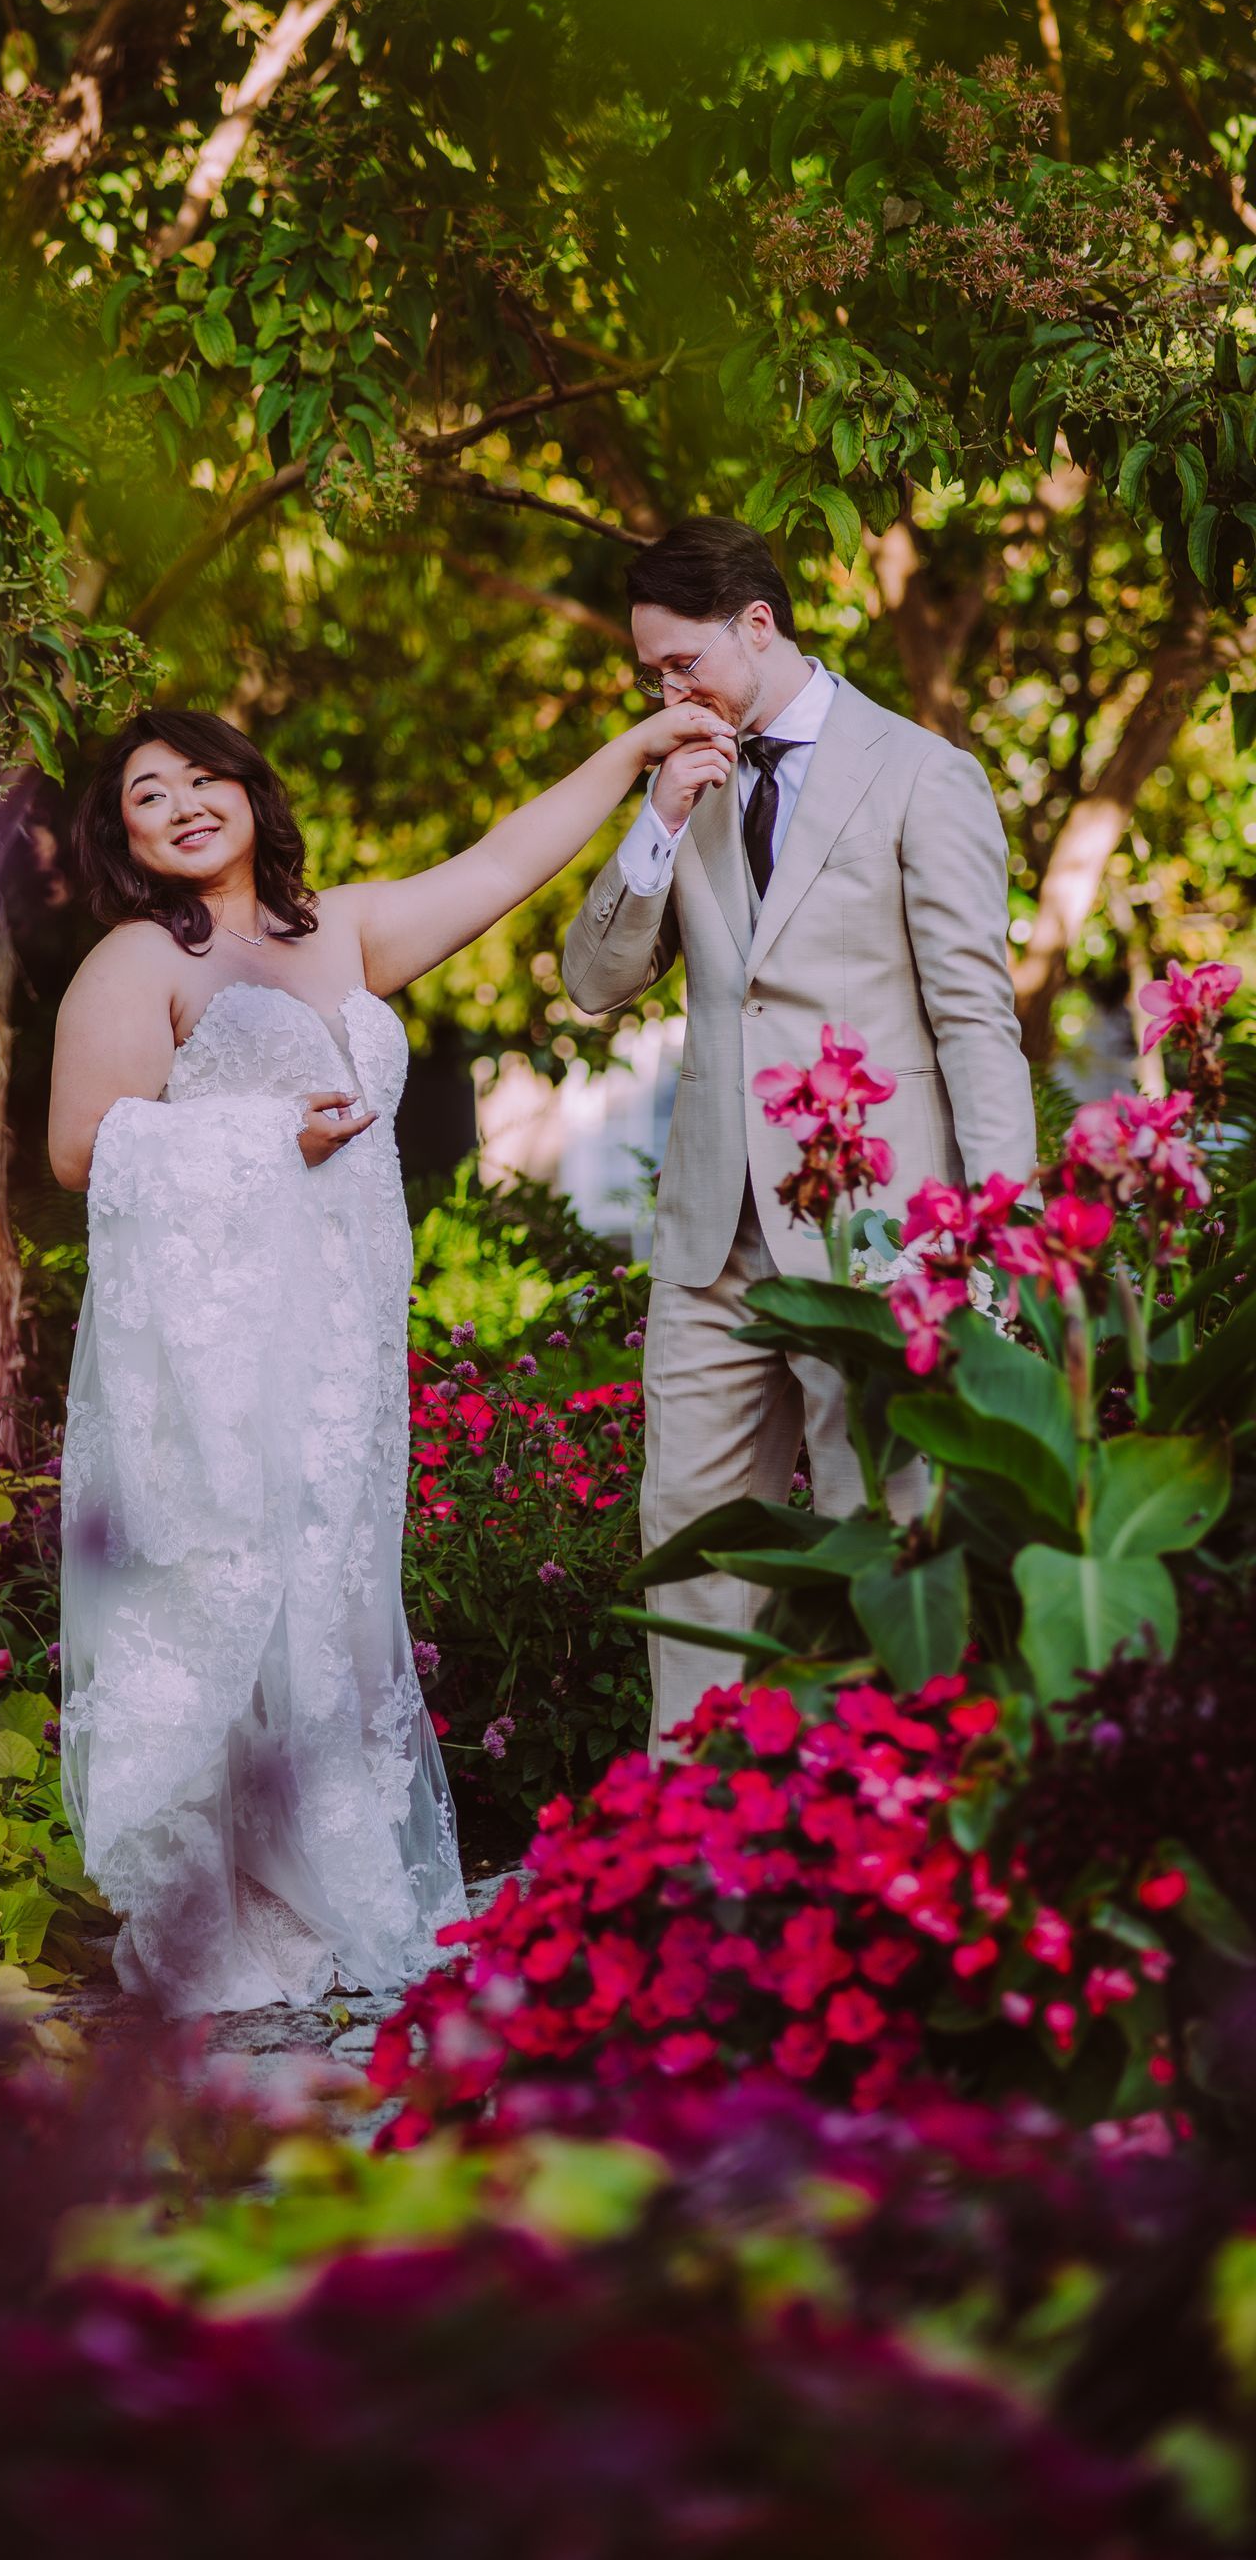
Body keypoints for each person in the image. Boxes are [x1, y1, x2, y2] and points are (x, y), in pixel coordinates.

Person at [48, 698, 731, 2015]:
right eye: (149, 791)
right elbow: (84, 1147)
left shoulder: (338, 928)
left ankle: (327, 1864)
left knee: (335, 1593)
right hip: (216, 1347)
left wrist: (633, 751)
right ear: (122, 833)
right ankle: (215, 1899)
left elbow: (496, 865)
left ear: (252, 790)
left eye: (206, 775)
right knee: (222, 1585)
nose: (186, 801)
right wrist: (263, 1142)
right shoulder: (136, 962)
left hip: (341, 1334)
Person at [562, 516, 1036, 1754]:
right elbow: (594, 980)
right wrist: (657, 820)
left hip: (878, 1244)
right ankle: (682, 1844)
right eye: (652, 672)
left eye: (680, 665)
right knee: (693, 1552)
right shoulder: (690, 780)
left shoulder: (925, 773)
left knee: (888, 1538)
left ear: (756, 626)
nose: (666, 692)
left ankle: (894, 1826)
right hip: (712, 1240)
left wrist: (1003, 1241)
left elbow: (980, 1025)